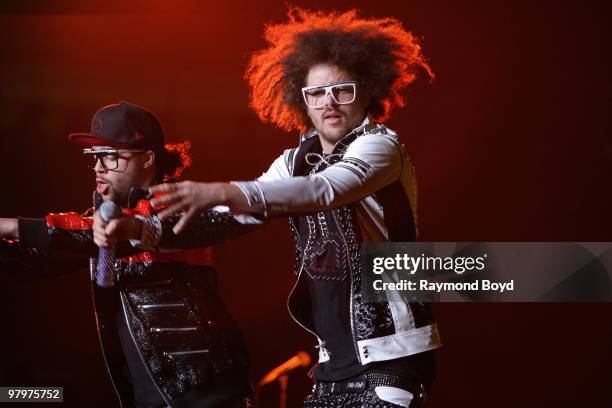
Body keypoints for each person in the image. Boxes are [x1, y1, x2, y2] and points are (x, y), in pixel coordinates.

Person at [97, 9, 442, 408]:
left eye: (342, 91)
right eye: (316, 94)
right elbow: (229, 221)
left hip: (392, 358)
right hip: (332, 366)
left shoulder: (382, 146)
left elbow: (323, 190)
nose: (328, 103)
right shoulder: (294, 161)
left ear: (367, 91)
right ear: (302, 100)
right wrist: (141, 232)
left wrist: (221, 190)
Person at [0, 101, 253, 408]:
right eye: (94, 156)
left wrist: (10, 226)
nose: (98, 167)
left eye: (111, 156)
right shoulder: (101, 225)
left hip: (206, 397)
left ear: (148, 158)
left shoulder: (180, 209)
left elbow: (95, 234)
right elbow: (36, 259)